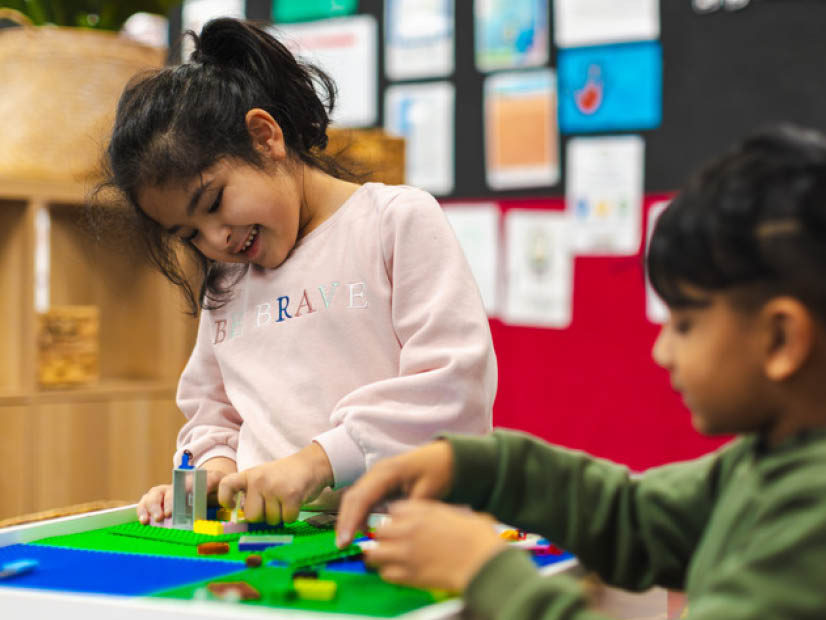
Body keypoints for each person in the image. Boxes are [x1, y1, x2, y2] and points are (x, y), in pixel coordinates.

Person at [335, 124, 826, 619]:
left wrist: (485, 572)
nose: (662, 352)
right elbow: (634, 519)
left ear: (781, 339)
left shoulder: (812, 514)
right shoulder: (765, 461)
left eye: (685, 323)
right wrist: (474, 466)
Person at [96, 18, 496, 526]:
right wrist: (214, 471)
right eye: (189, 234)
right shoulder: (228, 281)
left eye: (215, 201)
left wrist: (316, 464)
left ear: (265, 137)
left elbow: (452, 386)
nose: (216, 240)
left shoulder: (394, 220)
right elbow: (211, 408)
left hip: (413, 533)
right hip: (280, 544)